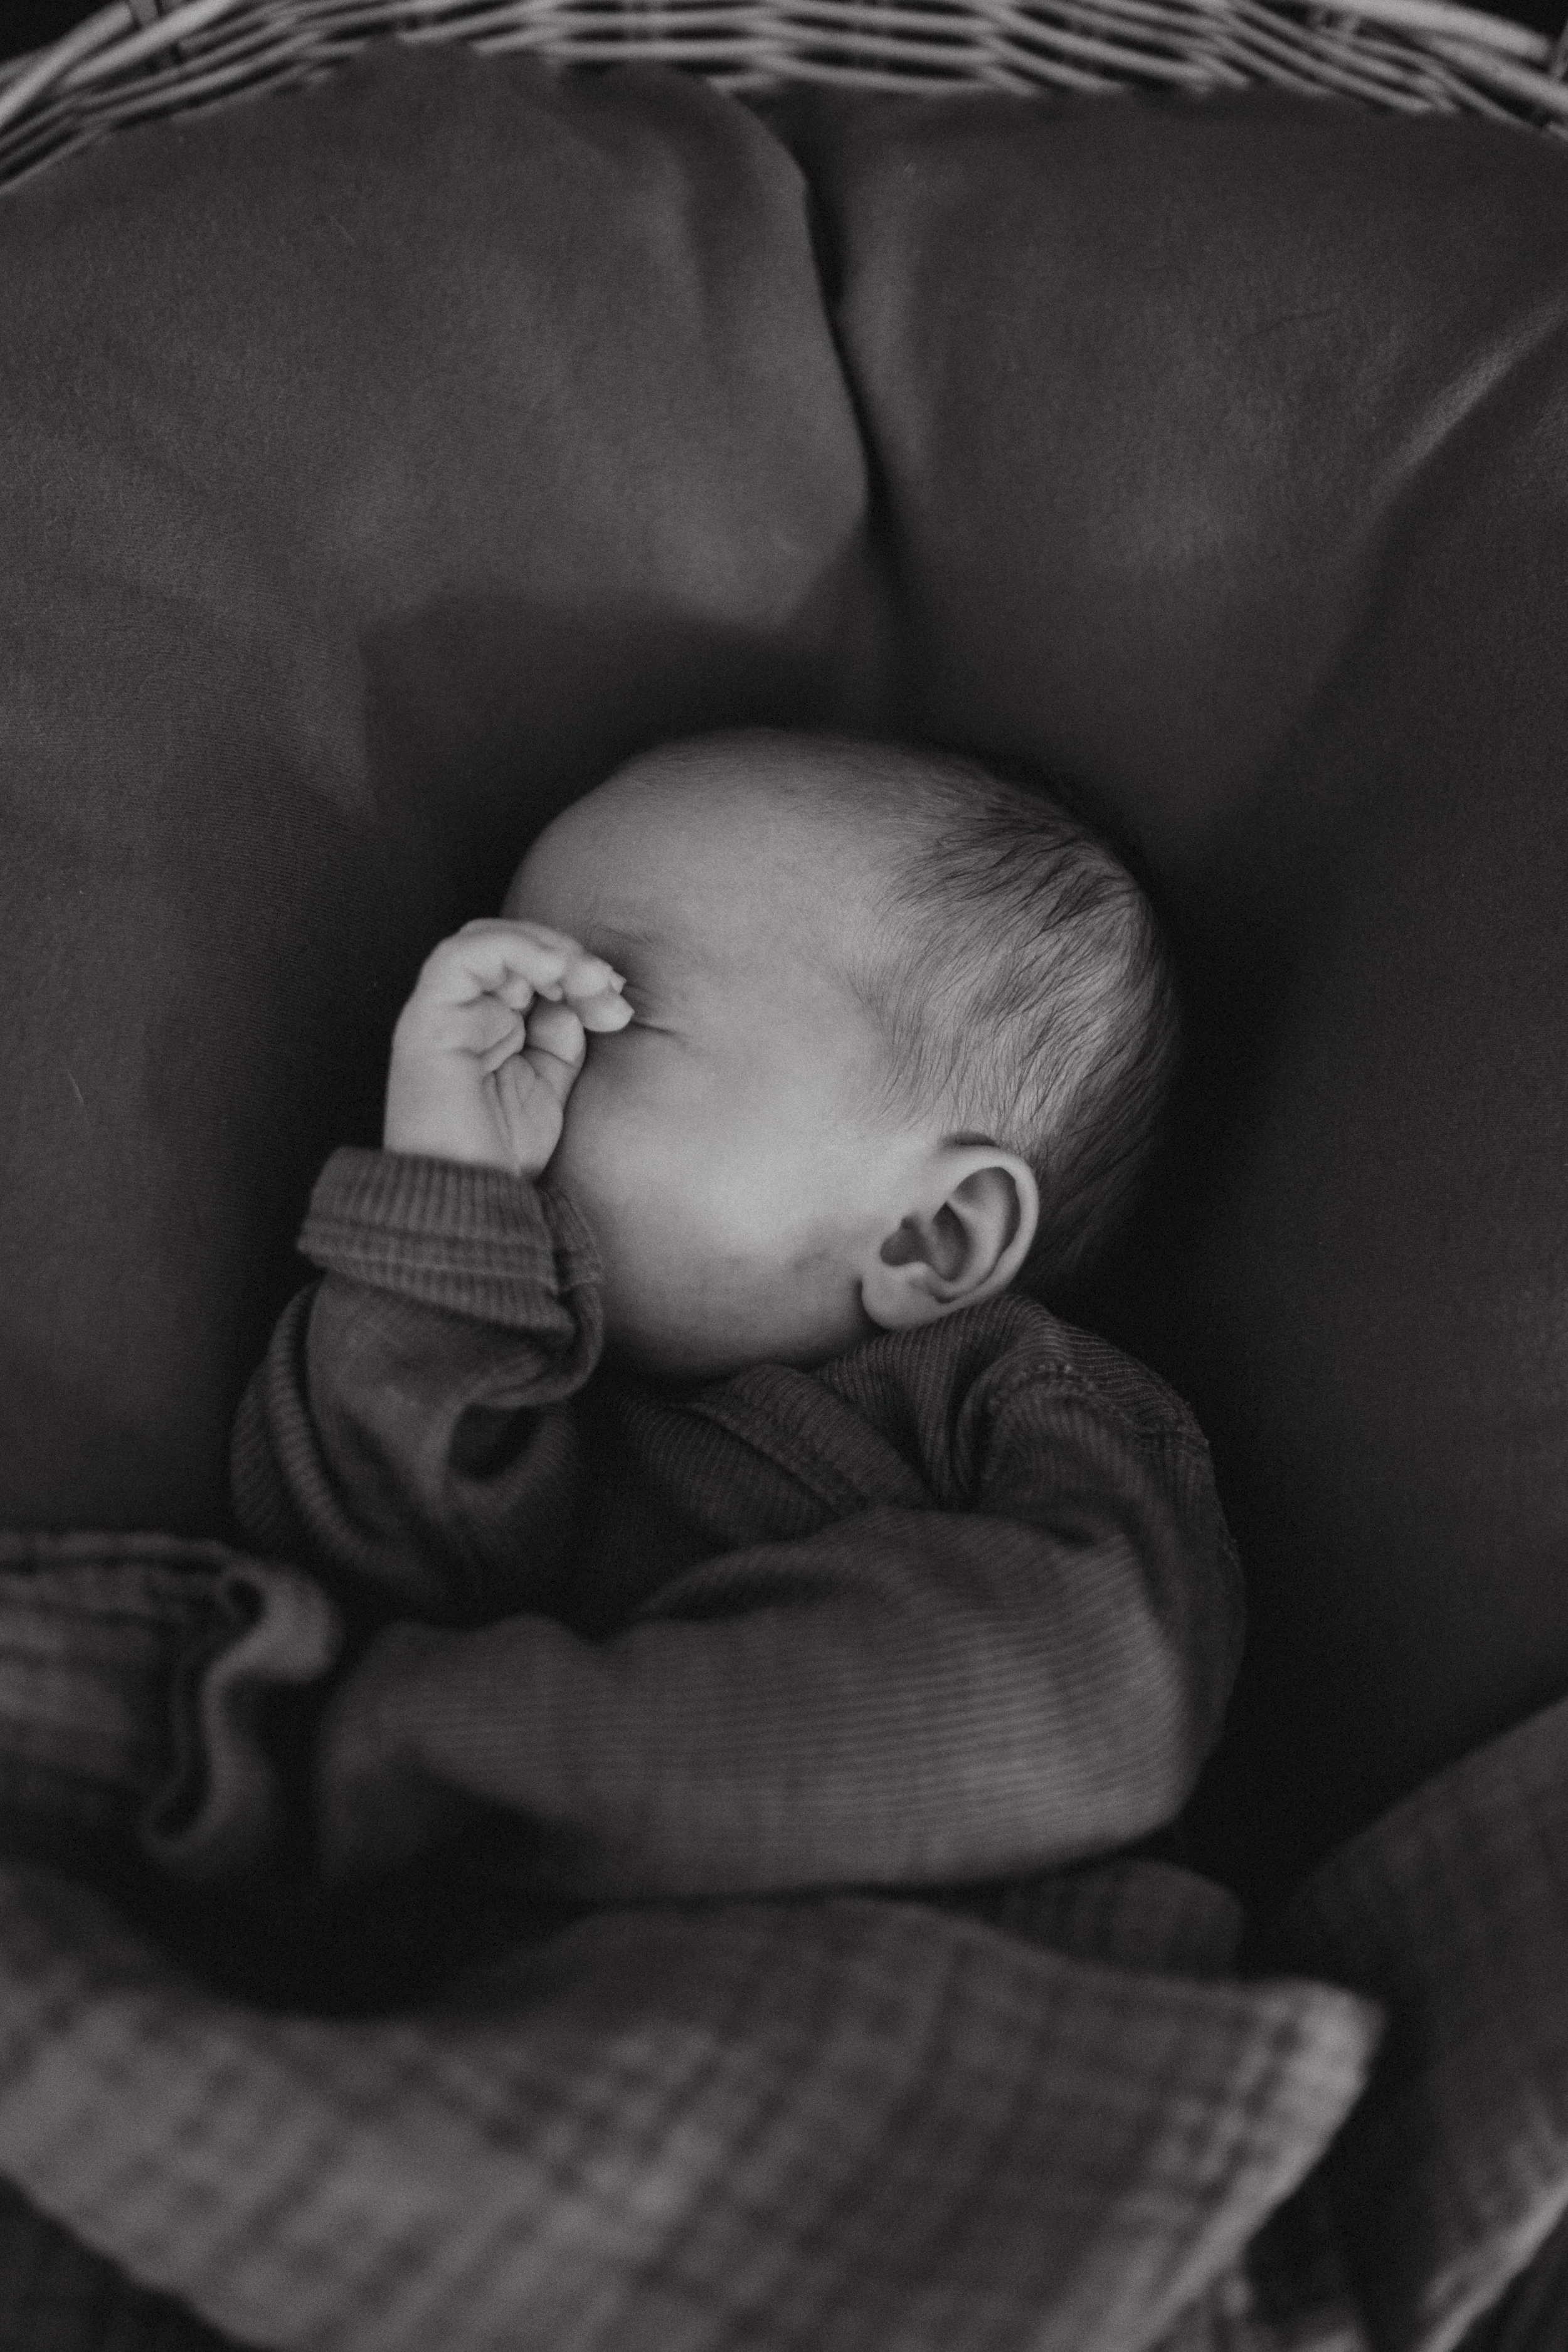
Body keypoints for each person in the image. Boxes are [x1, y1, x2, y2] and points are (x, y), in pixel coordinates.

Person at [214, 726, 1244, 1912]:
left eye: (612, 1012)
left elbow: (1114, 1690)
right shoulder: (523, 1390)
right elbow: (358, 1571)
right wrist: (449, 1206)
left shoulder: (1019, 1399)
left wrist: (473, 1761)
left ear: (931, 1235)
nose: (514, 1050)